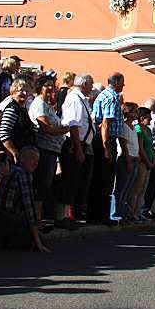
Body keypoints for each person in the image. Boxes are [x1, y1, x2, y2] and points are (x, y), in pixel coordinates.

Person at [0, 146, 50, 252]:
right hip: (7, 218)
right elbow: (29, 208)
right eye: (32, 159)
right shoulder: (22, 174)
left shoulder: (12, 169)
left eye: (37, 160)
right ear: (22, 158)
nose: (36, 163)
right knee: (41, 239)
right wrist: (37, 239)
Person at [29, 70, 65, 223]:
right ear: (40, 87)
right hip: (44, 149)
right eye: (47, 86)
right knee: (42, 184)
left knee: (47, 184)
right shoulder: (39, 104)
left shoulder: (48, 105)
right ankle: (38, 219)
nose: (50, 88)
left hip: (52, 149)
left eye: (52, 85)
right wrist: (62, 131)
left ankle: (41, 217)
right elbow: (46, 127)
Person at [59, 73, 95, 223]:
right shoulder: (74, 99)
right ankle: (68, 215)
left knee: (79, 181)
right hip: (75, 144)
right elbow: (73, 124)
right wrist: (78, 149)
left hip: (82, 143)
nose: (92, 87)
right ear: (84, 84)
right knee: (71, 181)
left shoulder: (81, 99)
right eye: (90, 84)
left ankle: (74, 214)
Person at [92, 72, 125, 223]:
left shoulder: (103, 95)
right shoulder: (112, 98)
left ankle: (96, 214)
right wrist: (106, 147)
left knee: (100, 178)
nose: (123, 86)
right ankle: (102, 216)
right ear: (116, 82)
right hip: (106, 140)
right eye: (122, 82)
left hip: (102, 139)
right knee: (105, 179)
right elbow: (105, 123)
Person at [127, 107, 155, 221]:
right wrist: (148, 161)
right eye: (149, 117)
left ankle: (138, 212)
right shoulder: (138, 129)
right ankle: (131, 212)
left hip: (149, 162)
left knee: (143, 188)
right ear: (142, 118)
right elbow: (141, 148)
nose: (151, 119)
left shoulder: (148, 130)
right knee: (136, 188)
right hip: (142, 163)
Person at [0, 76, 35, 162]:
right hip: (14, 156)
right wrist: (14, 152)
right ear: (13, 92)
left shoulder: (22, 108)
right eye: (21, 90)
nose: (24, 93)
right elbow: (3, 133)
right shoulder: (12, 109)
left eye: (27, 91)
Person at [116, 101, 140, 222]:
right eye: (135, 111)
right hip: (127, 159)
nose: (137, 113)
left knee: (128, 188)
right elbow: (123, 144)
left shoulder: (133, 127)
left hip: (135, 158)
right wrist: (128, 160)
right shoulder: (124, 126)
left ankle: (124, 213)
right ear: (128, 113)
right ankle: (117, 213)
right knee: (121, 187)